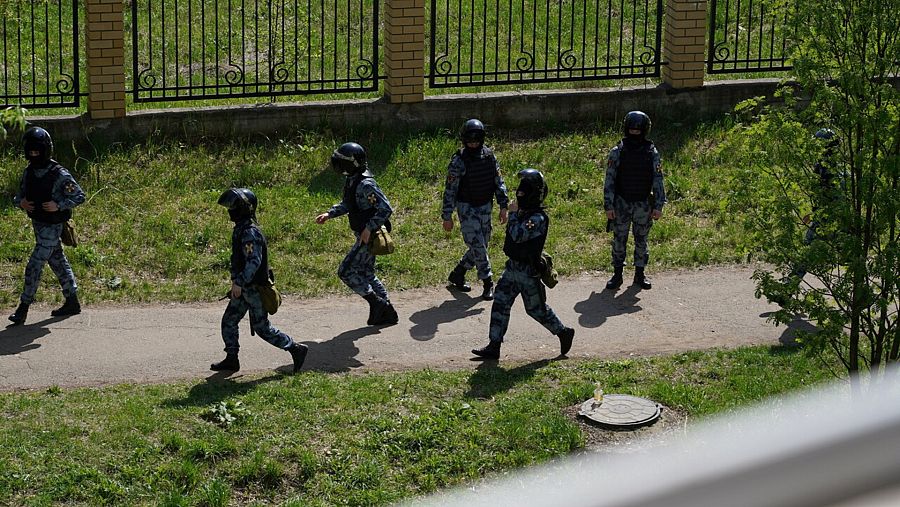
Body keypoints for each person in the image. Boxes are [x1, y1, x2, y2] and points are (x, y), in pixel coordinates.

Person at [471, 168, 575, 360]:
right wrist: (516, 213)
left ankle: (563, 332)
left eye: (524, 190)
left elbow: (518, 235)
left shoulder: (538, 218)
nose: (520, 193)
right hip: (512, 268)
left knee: (536, 310)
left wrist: (512, 214)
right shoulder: (524, 213)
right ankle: (494, 345)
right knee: (501, 303)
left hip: (528, 273)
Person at [211, 188, 308, 373]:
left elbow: (253, 262)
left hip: (253, 289)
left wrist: (239, 282)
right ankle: (232, 359)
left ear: (244, 209)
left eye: (234, 206)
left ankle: (295, 348)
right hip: (245, 288)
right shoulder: (241, 229)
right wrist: (237, 282)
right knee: (229, 321)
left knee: (262, 328)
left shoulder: (249, 233)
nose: (230, 210)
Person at [315, 142, 398, 326]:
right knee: (367, 272)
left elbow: (386, 208)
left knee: (345, 271)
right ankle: (388, 311)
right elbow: (348, 204)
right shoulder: (353, 179)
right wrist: (330, 214)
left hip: (370, 236)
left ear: (351, 164)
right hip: (364, 234)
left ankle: (377, 303)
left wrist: (369, 228)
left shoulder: (366, 184)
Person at [8, 127, 85, 326]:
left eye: (37, 151)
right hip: (38, 225)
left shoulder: (59, 174)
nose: (34, 155)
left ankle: (23, 308)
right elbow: (20, 195)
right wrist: (21, 203)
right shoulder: (29, 172)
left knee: (34, 266)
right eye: (30, 151)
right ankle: (72, 301)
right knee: (58, 261)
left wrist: (58, 205)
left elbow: (79, 196)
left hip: (52, 227)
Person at [442, 119, 509, 300]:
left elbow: (498, 181)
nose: (473, 144)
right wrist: (447, 216)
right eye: (469, 141)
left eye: (476, 141)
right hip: (466, 208)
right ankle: (488, 282)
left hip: (485, 206)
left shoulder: (489, 156)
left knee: (482, 244)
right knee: (478, 246)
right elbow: (450, 190)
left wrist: (504, 205)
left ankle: (459, 272)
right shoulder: (458, 161)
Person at [603, 111, 666, 291]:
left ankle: (640, 274)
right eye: (632, 130)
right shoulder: (618, 152)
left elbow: (658, 179)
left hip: (643, 204)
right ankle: (617, 274)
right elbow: (610, 179)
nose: (635, 133)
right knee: (619, 240)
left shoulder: (651, 152)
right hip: (622, 202)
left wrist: (659, 205)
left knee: (641, 240)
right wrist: (609, 205)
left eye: (637, 131)